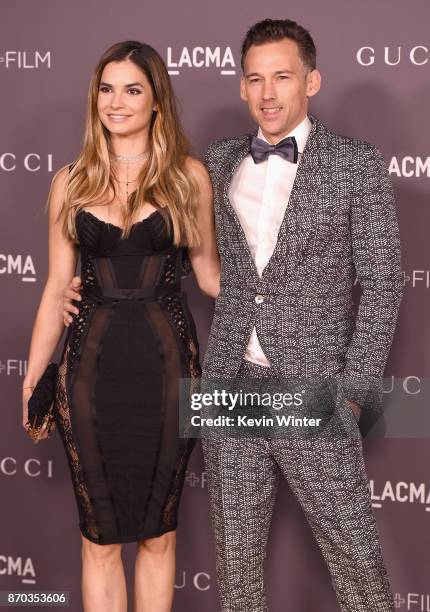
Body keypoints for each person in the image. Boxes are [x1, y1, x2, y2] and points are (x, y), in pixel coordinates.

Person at [62, 19, 403, 612]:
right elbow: (175, 248)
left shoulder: (357, 164)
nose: (267, 93)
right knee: (236, 571)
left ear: (312, 81)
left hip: (315, 388)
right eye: (255, 79)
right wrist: (86, 281)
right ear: (241, 88)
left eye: (282, 77)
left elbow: (381, 284)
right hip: (228, 384)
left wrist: (355, 392)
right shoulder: (212, 164)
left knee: (357, 562)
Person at [22, 40, 219, 612]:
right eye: (107, 89)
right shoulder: (70, 182)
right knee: (99, 539)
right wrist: (32, 377)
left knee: (159, 535)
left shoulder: (189, 178)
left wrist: (286, 307)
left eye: (133, 89)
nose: (117, 101)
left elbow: (209, 275)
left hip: (168, 375)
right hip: (89, 374)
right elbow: (57, 288)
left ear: (157, 100)